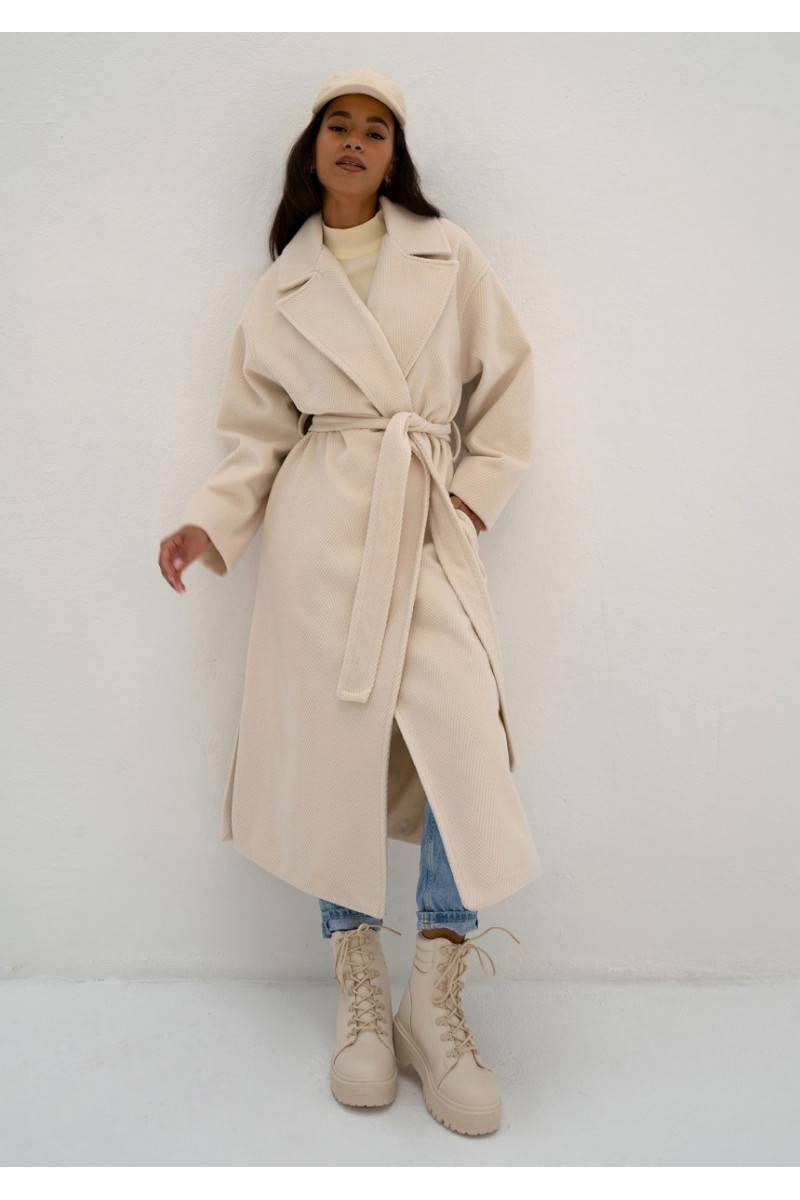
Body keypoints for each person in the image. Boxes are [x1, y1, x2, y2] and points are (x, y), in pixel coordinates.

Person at [160, 68, 542, 1137]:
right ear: (313, 146)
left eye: (377, 130)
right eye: (340, 125)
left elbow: (509, 386)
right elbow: (256, 434)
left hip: (419, 518)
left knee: (463, 740)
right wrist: (208, 522)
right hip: (318, 534)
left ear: (394, 156)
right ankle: (360, 990)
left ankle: (435, 992)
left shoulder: (446, 253)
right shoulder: (282, 285)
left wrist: (467, 500)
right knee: (334, 757)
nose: (356, 141)